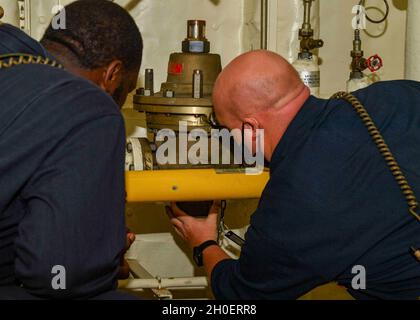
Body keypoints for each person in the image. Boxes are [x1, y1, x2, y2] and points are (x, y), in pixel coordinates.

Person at [167, 50, 420, 300]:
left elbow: (240, 294)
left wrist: (204, 243)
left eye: (228, 130)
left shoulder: (292, 205)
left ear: (251, 128)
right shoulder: (400, 92)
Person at [0, 0, 142, 299]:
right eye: (124, 93)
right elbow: (57, 272)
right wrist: (98, 256)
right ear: (112, 74)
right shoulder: (88, 105)